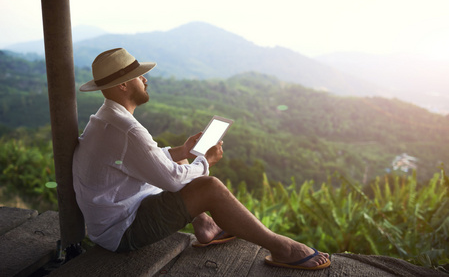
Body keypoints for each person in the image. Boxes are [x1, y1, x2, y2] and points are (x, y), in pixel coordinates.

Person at [73, 48, 331, 270]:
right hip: (121, 231)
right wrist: (205, 162)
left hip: (111, 220)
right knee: (209, 187)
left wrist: (183, 151)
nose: (144, 79)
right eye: (139, 76)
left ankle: (207, 225)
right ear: (123, 85)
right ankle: (282, 247)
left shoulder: (106, 119)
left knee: (184, 163)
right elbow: (172, 181)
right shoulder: (127, 129)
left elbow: (141, 161)